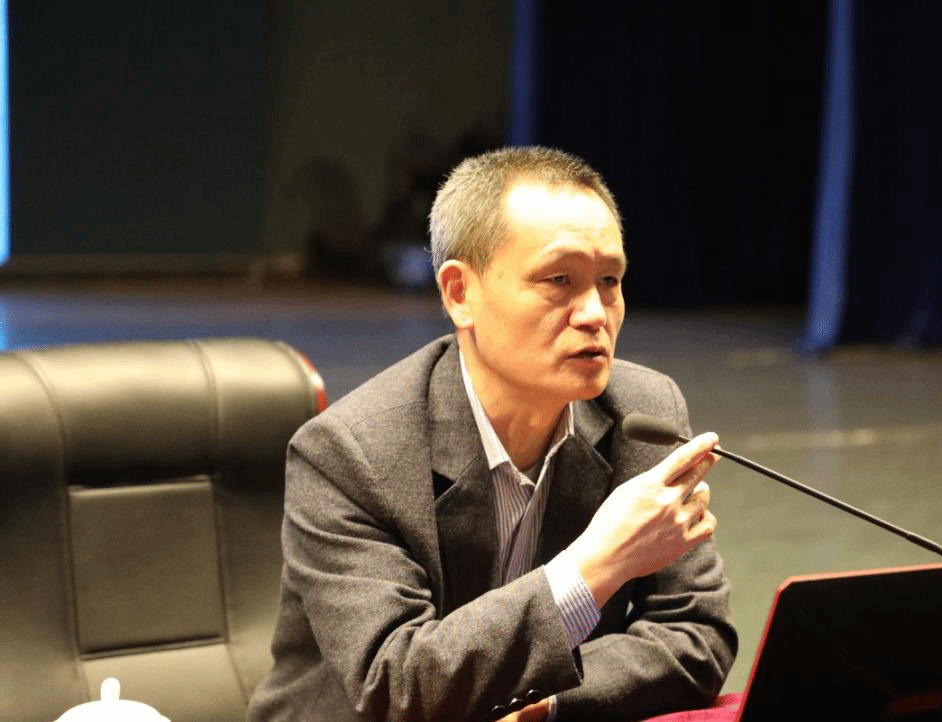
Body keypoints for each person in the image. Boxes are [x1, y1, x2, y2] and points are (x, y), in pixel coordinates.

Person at [248, 146, 737, 722]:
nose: (595, 314)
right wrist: (594, 567)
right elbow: (396, 684)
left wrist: (548, 706)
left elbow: (695, 633)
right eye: (559, 279)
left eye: (609, 280)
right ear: (460, 293)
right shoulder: (351, 454)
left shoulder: (643, 413)